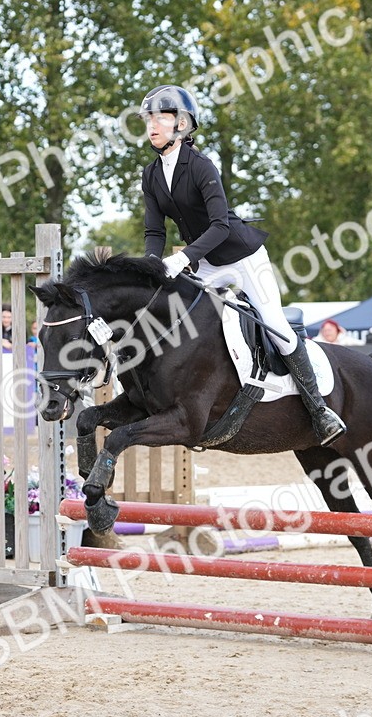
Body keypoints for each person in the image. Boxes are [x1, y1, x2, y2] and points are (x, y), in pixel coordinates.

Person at [138, 84, 345, 446]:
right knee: (181, 316)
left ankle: (319, 410)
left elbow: (219, 226)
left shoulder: (201, 166)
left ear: (182, 124)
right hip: (203, 262)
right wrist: (152, 267)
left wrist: (182, 258)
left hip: (242, 257)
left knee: (278, 327)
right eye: (148, 118)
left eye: (161, 117)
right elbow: (154, 230)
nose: (152, 125)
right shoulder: (151, 174)